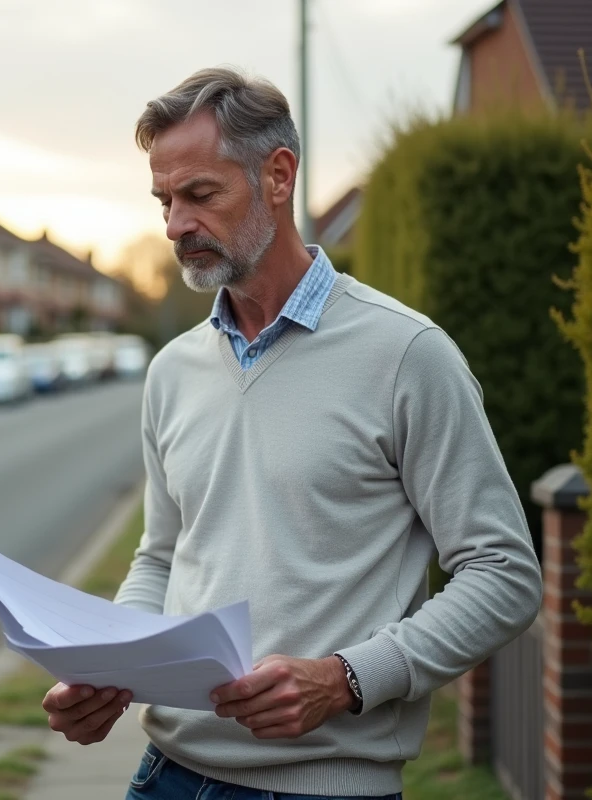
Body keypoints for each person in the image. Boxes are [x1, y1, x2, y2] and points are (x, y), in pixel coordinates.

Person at [41, 67, 543, 799]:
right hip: (166, 778)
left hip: (327, 788)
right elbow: (162, 557)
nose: (176, 224)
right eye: (165, 200)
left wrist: (346, 680)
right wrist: (115, 667)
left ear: (279, 177)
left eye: (200, 195)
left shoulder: (406, 354)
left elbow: (504, 573)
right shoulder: (173, 371)